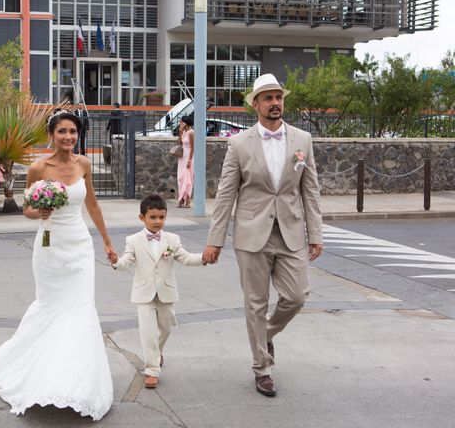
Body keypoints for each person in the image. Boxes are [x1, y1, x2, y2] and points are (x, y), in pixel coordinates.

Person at [0, 111, 116, 421]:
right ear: (51, 134)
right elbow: (26, 208)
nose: (68, 137)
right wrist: (37, 213)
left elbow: (91, 202)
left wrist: (106, 240)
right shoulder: (38, 168)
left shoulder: (84, 164)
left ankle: (76, 382)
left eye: (73, 132)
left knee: (81, 308)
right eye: (62, 131)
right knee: (50, 306)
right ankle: (39, 372)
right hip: (50, 247)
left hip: (79, 248)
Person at [202, 73, 323, 397]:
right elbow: (226, 194)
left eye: (278, 97)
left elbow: (310, 190)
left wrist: (316, 233)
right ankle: (262, 368)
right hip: (251, 233)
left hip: (291, 232)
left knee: (297, 295)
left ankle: (264, 333)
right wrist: (215, 240)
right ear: (255, 104)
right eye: (267, 98)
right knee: (255, 303)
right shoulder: (239, 144)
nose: (274, 103)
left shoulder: (302, 140)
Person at [110, 194, 206, 389]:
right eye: (153, 217)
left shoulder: (172, 239)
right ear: (142, 218)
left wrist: (204, 258)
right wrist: (115, 261)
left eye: (161, 217)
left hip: (166, 292)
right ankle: (152, 370)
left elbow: (186, 258)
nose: (157, 221)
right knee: (148, 332)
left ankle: (157, 352)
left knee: (166, 327)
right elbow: (126, 261)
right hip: (143, 294)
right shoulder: (133, 240)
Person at [176, 115, 195, 208]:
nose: (180, 123)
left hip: (188, 156)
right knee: (181, 178)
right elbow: (179, 143)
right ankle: (181, 199)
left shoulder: (191, 133)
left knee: (188, 179)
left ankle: (187, 200)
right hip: (182, 157)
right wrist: (180, 132)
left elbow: (193, 147)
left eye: (181, 122)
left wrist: (190, 160)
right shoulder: (183, 132)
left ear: (185, 123)